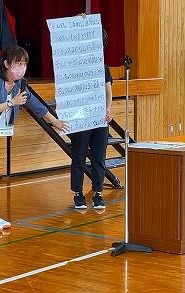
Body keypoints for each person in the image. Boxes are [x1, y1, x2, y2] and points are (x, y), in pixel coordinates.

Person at [0, 44, 68, 232]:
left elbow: (37, 106)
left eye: (24, 64)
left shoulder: (20, 85)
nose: (21, 68)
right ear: (6, 64)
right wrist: (12, 102)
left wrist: (55, 121)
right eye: (17, 63)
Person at [70, 27, 114, 210]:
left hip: (99, 119)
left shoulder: (103, 68)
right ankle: (78, 193)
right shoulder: (77, 67)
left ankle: (98, 192)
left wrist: (108, 110)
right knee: (79, 155)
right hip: (81, 118)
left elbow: (108, 91)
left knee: (98, 156)